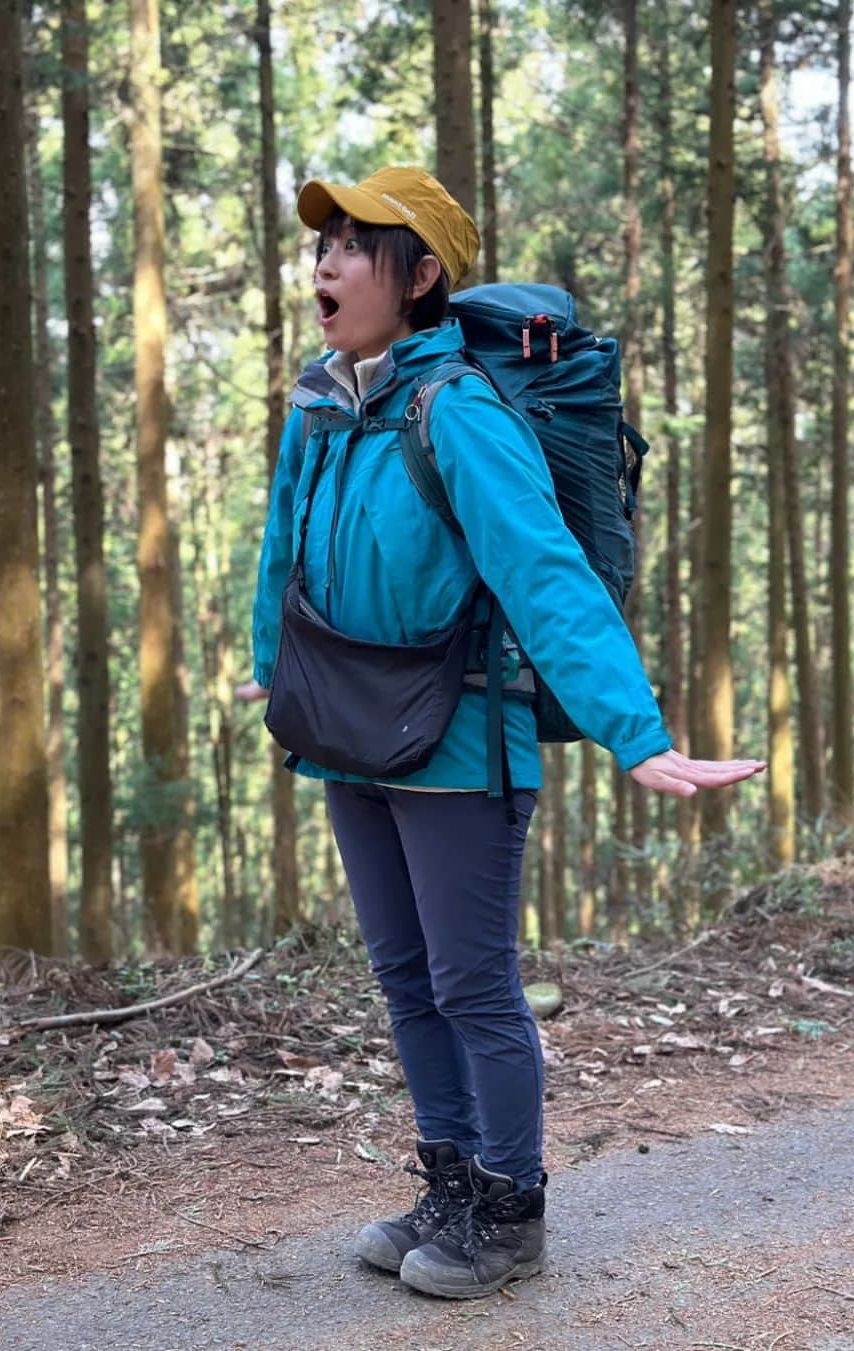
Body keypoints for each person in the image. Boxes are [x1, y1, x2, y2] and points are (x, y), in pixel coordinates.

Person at [236, 166, 765, 1301]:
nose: (325, 265)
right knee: (403, 977)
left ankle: (510, 1208)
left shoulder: (458, 408)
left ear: (421, 276)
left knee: (472, 984)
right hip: (345, 727)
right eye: (321, 245)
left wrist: (637, 734)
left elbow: (545, 571)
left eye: (354, 246)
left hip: (458, 736)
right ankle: (448, 1182)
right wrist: (271, 672)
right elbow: (281, 551)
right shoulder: (323, 403)